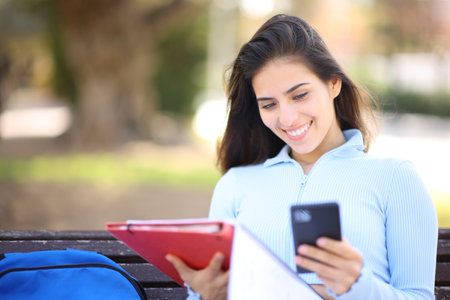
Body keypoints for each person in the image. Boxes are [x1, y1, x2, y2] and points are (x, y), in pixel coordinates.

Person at [166, 14, 438, 300]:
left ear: (334, 84)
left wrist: (356, 285)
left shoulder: (394, 179)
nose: (287, 117)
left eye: (299, 95)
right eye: (269, 104)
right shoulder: (235, 184)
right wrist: (206, 295)